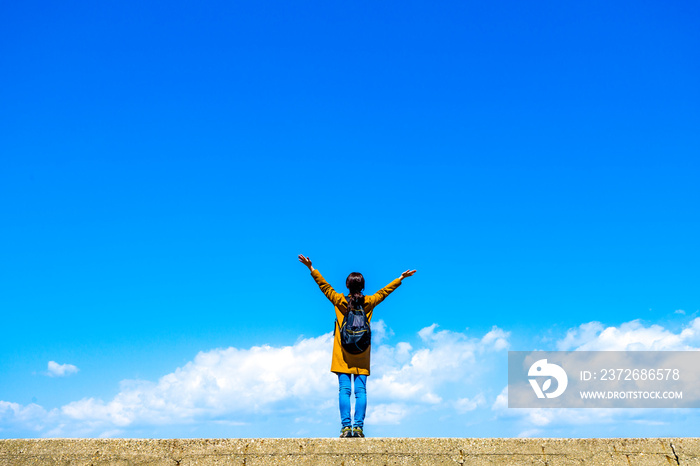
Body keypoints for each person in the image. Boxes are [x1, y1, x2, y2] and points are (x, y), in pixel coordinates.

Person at [298, 254, 416, 438]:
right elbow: (384, 292)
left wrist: (311, 268)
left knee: (344, 390)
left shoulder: (339, 301)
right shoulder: (368, 302)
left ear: (347, 286)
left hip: (342, 354)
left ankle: (346, 428)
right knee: (361, 392)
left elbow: (324, 286)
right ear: (362, 286)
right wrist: (400, 279)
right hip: (361, 353)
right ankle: (358, 428)